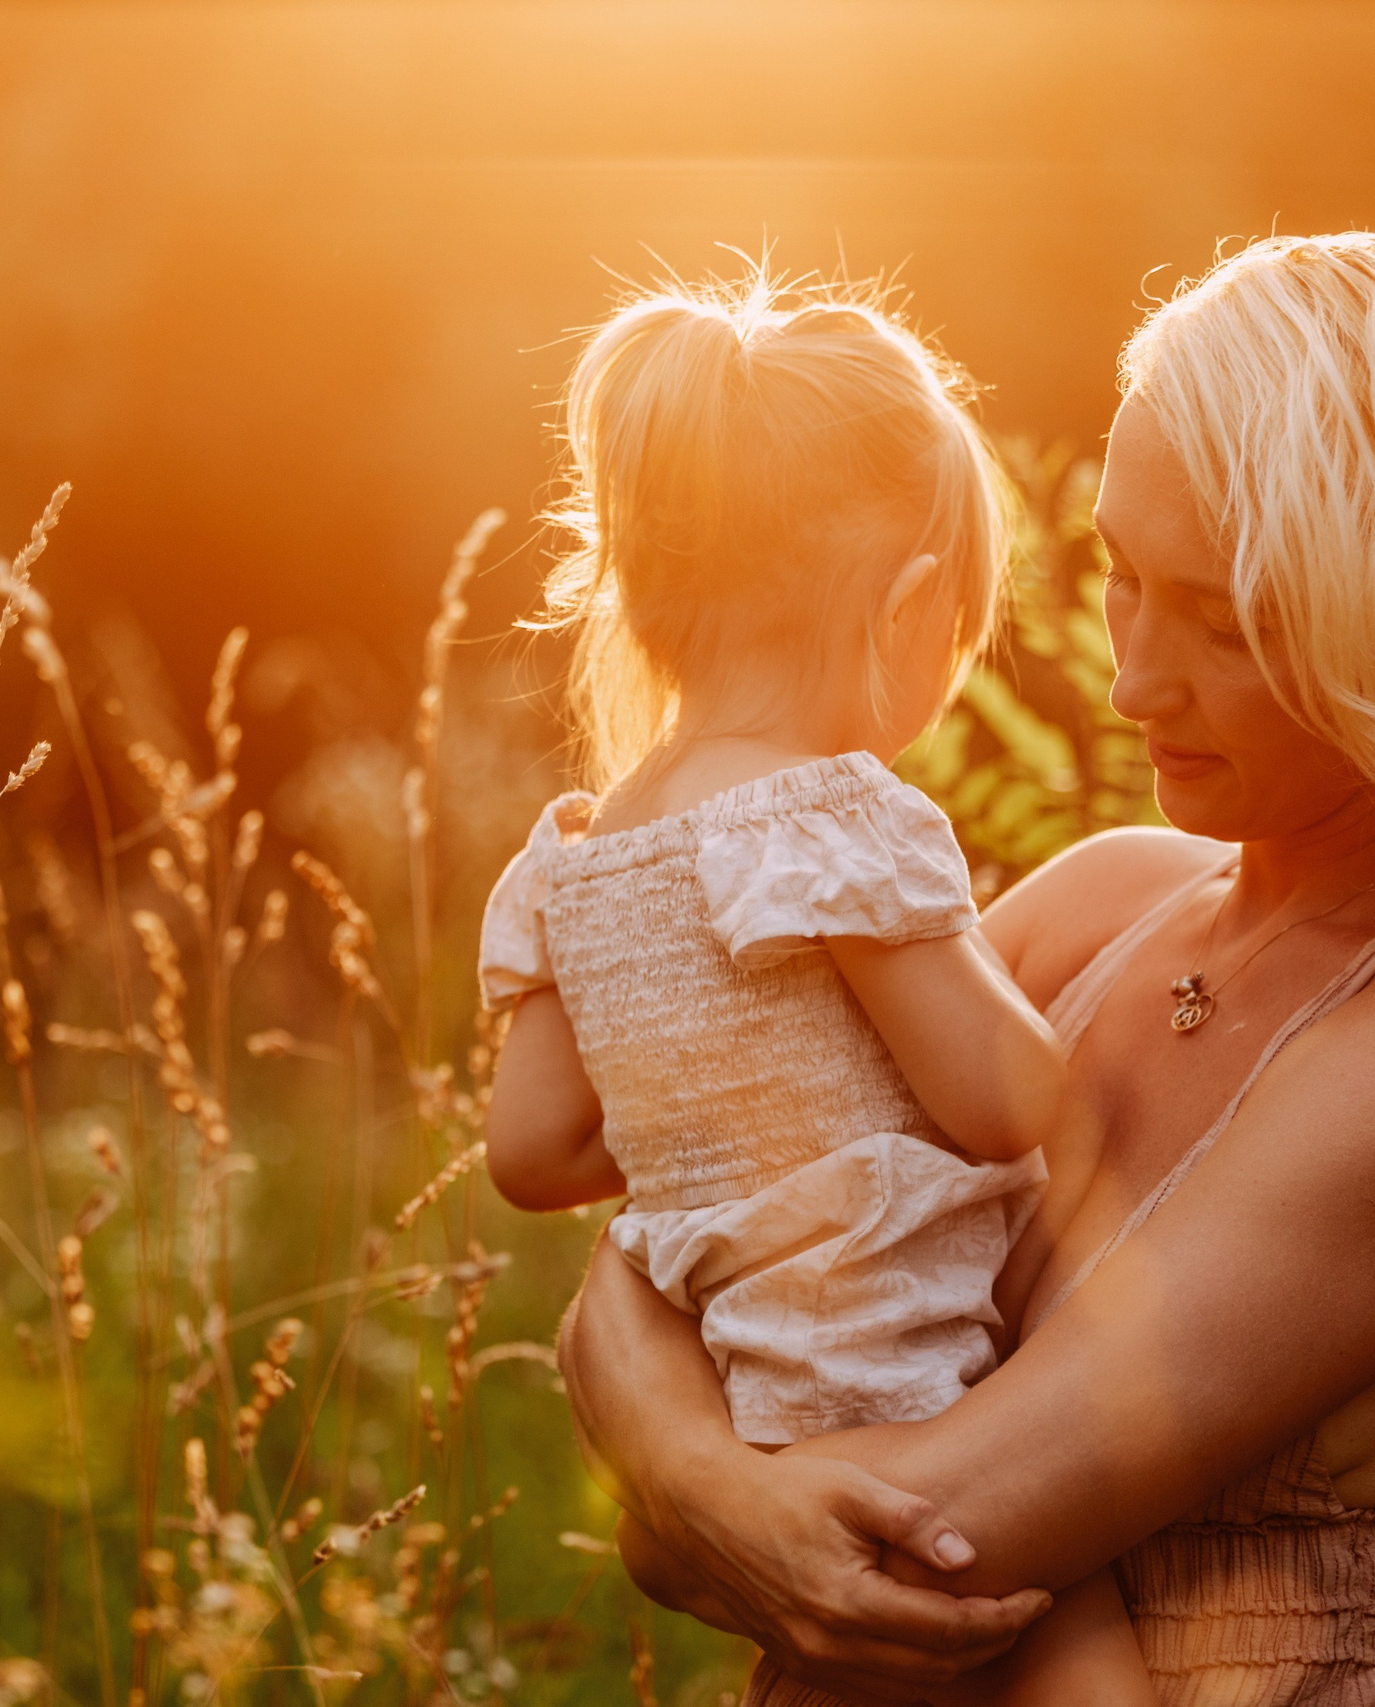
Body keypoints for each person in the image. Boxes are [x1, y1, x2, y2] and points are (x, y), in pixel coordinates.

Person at [556, 231, 1375, 1706]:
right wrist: (702, 1485)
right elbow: (671, 1233)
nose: (1132, 680)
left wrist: (682, 1476)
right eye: (1120, 578)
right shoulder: (1105, 903)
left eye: (1228, 623)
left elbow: (915, 1550)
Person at [477, 272, 1158, 1703]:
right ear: (909, 609)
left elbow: (532, 1155)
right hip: (920, 1387)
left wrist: (701, 1113)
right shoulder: (832, 820)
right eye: (955, 641)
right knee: (1086, 1645)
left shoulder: (573, 860)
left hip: (753, 1414)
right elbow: (996, 1104)